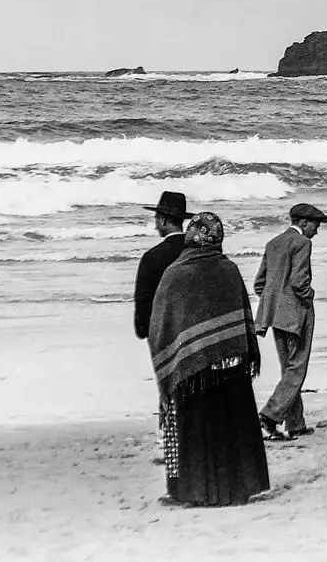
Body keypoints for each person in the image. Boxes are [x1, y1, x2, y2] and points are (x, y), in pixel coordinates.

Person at [147, 212, 270, 508]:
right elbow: (243, 319)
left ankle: (193, 492)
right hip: (232, 367)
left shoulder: (175, 274)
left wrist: (176, 360)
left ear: (191, 237)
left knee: (196, 431)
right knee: (232, 427)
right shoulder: (229, 270)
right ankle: (238, 489)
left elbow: (160, 328)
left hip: (192, 372)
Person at [254, 203, 326, 440]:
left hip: (274, 315)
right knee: (297, 369)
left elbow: (259, 284)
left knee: (288, 368)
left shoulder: (272, 243)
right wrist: (310, 296)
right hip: (297, 313)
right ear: (304, 222)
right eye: (315, 225)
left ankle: (295, 423)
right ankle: (269, 415)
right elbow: (299, 282)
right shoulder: (303, 243)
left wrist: (275, 302)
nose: (316, 231)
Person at [134, 191, 190, 480]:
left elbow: (143, 300)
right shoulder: (195, 252)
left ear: (165, 221)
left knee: (166, 385)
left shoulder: (152, 258)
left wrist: (142, 330)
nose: (155, 223)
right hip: (195, 330)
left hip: (162, 332)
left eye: (157, 218)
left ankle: (168, 441)